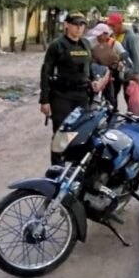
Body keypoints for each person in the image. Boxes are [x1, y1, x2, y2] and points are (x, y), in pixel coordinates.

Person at [39, 12, 108, 165]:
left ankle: (75, 169)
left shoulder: (85, 44)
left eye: (81, 25)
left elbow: (88, 67)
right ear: (67, 25)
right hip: (61, 96)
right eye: (75, 24)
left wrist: (94, 81)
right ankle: (57, 169)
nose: (78, 28)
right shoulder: (57, 45)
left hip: (82, 95)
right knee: (61, 134)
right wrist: (44, 100)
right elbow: (46, 72)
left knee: (80, 134)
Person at [86, 23, 134, 108]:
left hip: (111, 76)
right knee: (90, 96)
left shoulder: (115, 44)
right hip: (94, 74)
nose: (98, 37)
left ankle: (112, 115)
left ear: (106, 34)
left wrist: (121, 60)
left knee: (111, 98)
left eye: (100, 34)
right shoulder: (89, 41)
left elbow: (125, 55)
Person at [106, 13, 139, 106]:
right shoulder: (112, 36)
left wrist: (136, 74)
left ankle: (130, 118)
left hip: (127, 73)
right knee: (112, 96)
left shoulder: (130, 37)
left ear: (120, 24)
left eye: (113, 25)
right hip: (115, 72)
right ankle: (113, 116)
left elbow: (136, 55)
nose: (111, 28)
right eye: (110, 26)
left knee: (129, 97)